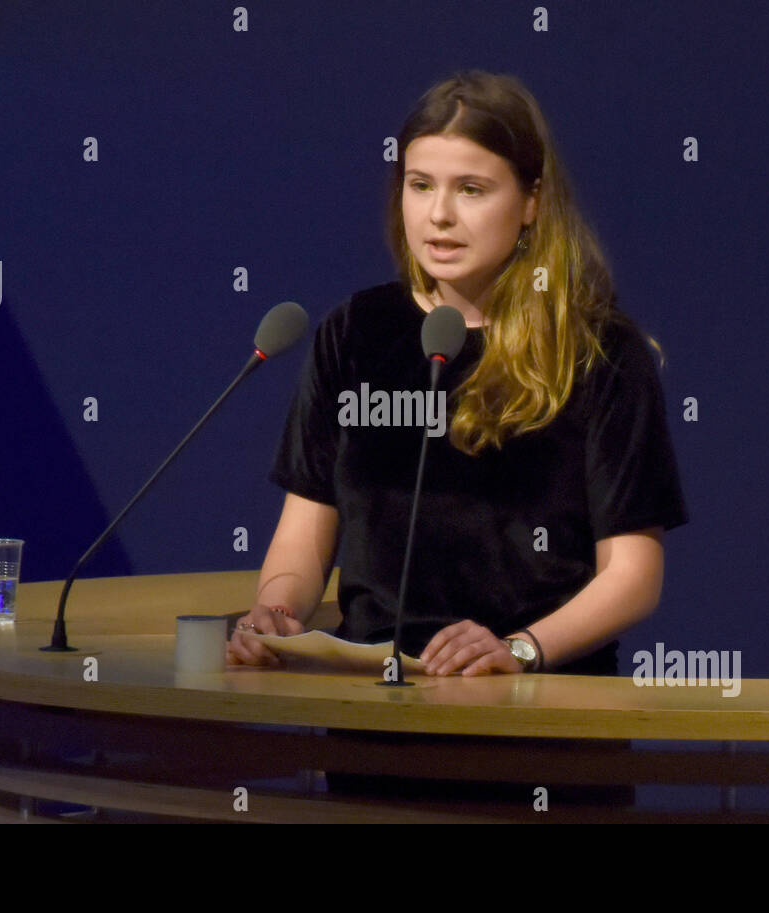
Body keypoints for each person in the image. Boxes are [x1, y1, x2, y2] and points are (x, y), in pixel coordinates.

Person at [227, 70, 688, 677]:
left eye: (471, 189)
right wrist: (277, 610)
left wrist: (519, 649)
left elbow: (633, 576)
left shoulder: (598, 349)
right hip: (376, 712)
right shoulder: (354, 333)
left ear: (532, 202)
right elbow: (305, 533)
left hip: (542, 721)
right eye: (420, 185)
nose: (439, 214)